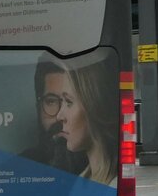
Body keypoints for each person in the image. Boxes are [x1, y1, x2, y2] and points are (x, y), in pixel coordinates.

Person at [39, 58, 118, 186]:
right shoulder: (81, 183)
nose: (59, 116)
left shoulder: (114, 187)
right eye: (52, 101)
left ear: (93, 106)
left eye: (69, 102)